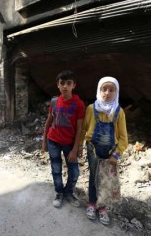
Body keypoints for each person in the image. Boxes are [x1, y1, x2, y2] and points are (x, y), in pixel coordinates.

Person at [79, 76, 128, 225]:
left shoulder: (118, 112)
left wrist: (116, 154)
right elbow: (83, 130)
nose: (107, 92)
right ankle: (92, 204)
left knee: (105, 180)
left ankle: (102, 208)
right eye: (104, 89)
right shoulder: (91, 109)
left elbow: (123, 137)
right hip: (93, 150)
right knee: (94, 177)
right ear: (99, 90)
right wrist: (79, 147)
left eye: (111, 89)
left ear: (116, 92)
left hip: (109, 153)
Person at [42, 70, 85, 208]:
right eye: (62, 83)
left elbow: (80, 129)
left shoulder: (79, 104)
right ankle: (59, 192)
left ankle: (68, 192)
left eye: (68, 83)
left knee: (74, 172)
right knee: (56, 169)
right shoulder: (54, 101)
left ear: (74, 85)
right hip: (53, 140)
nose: (65, 86)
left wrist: (76, 148)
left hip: (69, 144)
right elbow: (48, 122)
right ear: (58, 85)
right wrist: (44, 142)